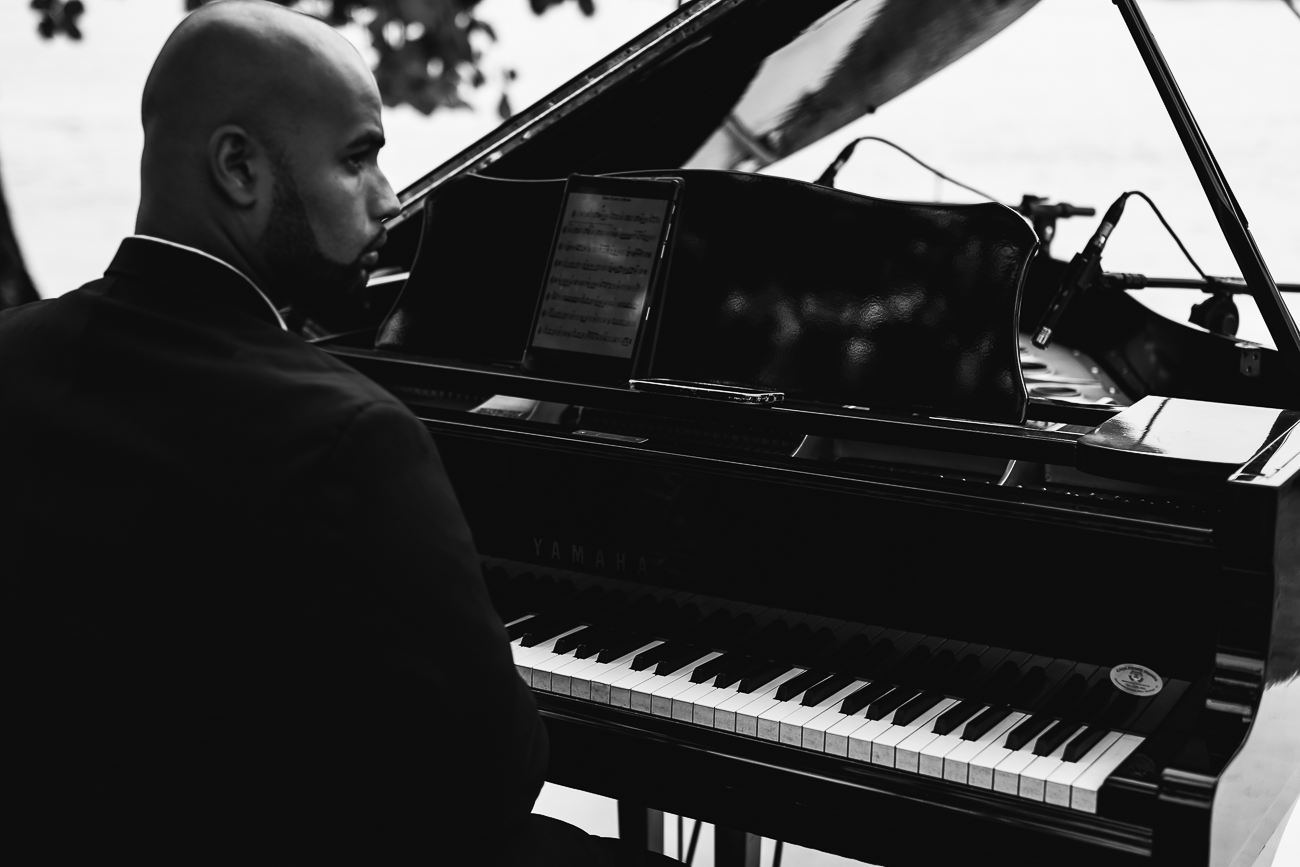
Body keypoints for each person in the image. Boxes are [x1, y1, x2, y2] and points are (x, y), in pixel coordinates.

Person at [1, 2, 678, 864]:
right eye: (358, 158)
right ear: (238, 167)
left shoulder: (12, 358)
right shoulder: (346, 434)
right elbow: (500, 780)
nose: (393, 201)